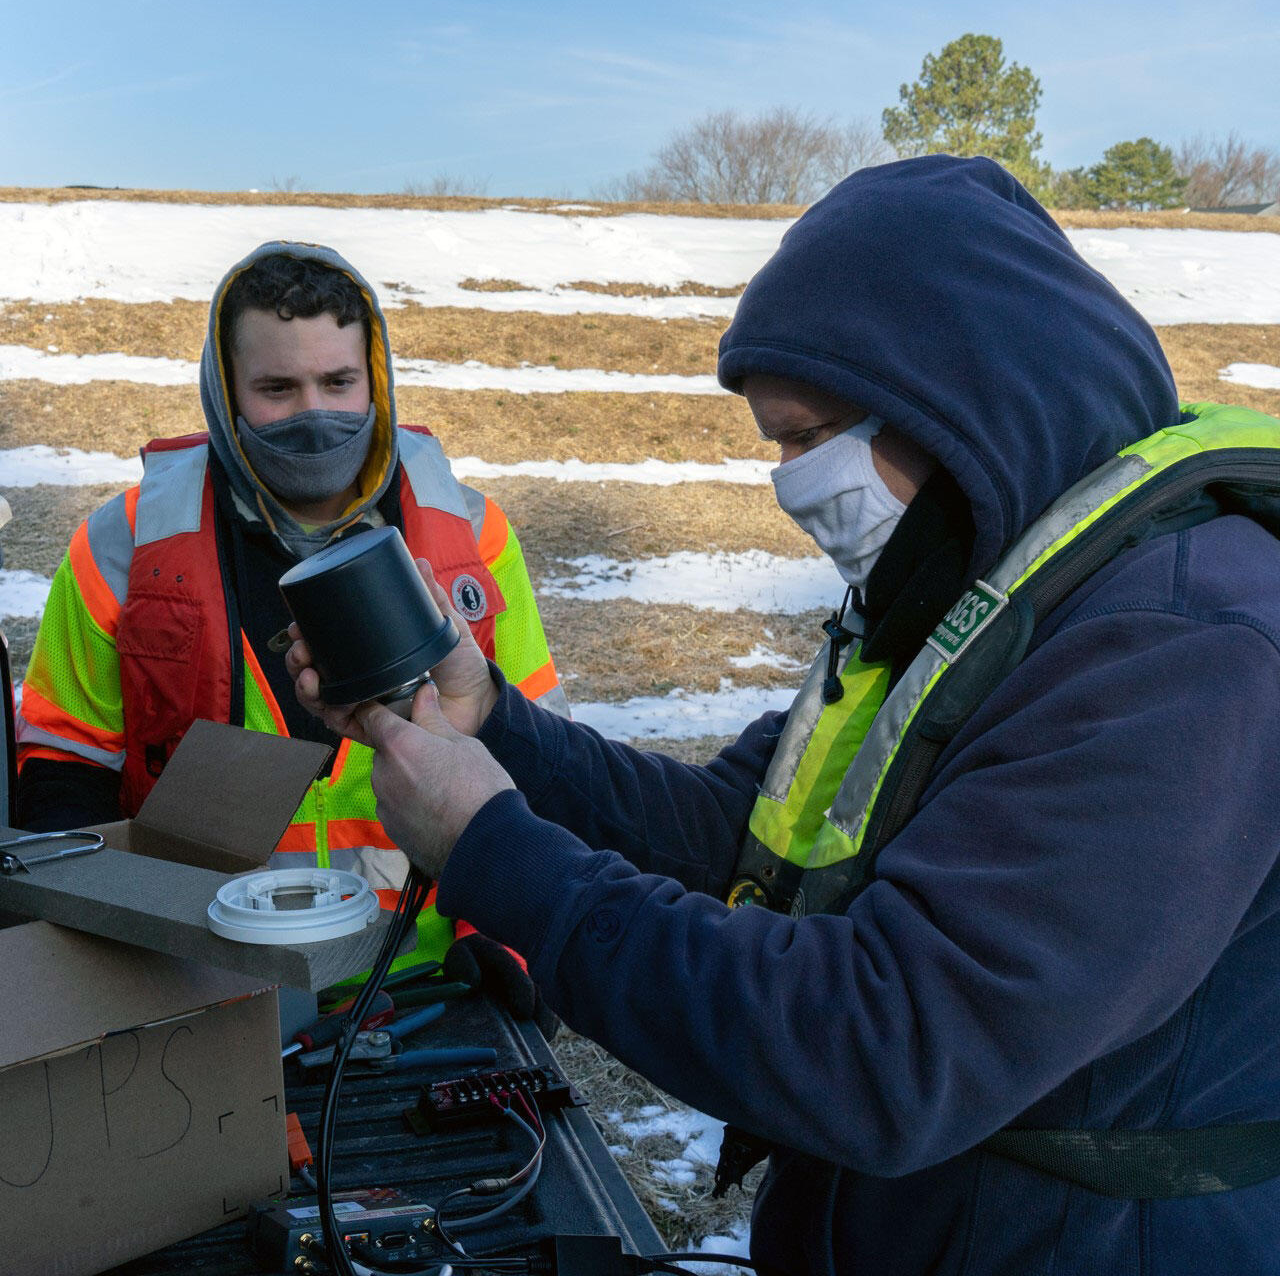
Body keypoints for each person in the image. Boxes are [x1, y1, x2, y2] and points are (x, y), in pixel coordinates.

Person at [290, 158, 1280, 1274]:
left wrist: (497, 853)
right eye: (777, 442)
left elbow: (889, 1048)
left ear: (962, 396)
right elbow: (739, 836)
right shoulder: (973, 584)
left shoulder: (1182, 652)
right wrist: (497, 728)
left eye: (810, 435)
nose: (791, 482)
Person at [15, 241, 566, 973]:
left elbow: (537, 758)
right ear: (223, 389)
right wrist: (112, 967)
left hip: (431, 983)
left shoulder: (474, 537)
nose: (315, 415)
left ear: (376, 380)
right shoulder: (121, 547)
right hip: (201, 982)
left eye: (339, 382)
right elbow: (64, 773)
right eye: (277, 388)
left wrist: (503, 955)